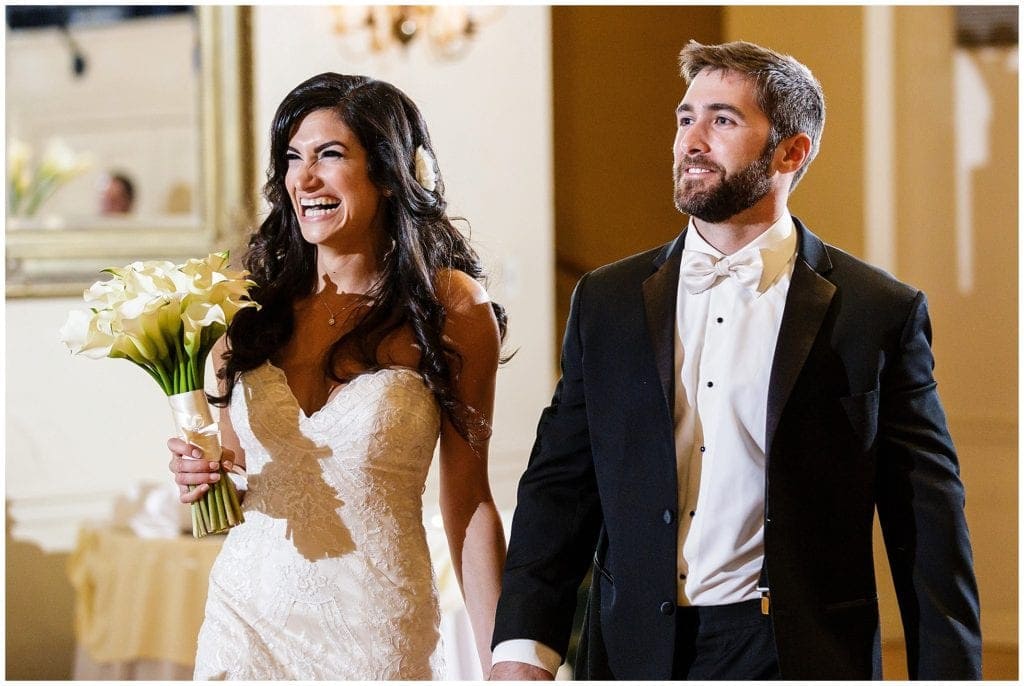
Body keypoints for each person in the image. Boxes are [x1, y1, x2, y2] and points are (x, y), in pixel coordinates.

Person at [490, 40, 981, 680]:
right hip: (636, 651)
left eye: (722, 120)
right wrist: (523, 651)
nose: (691, 139)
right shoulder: (607, 302)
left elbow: (928, 521)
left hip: (799, 655)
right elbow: (559, 485)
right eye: (684, 117)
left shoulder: (876, 311)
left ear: (791, 151)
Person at [167, 72, 507, 680]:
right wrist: (205, 477)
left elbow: (470, 500)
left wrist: (505, 661)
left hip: (373, 625)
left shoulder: (450, 307)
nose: (305, 178)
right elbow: (243, 477)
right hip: (245, 617)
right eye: (294, 158)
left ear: (386, 172)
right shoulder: (247, 316)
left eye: (330, 155)